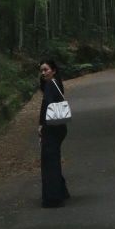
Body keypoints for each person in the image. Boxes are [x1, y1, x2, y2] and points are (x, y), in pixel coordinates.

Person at [38, 58, 70, 208]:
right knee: (53, 159)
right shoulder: (57, 83)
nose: (43, 73)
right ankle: (61, 191)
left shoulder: (51, 85)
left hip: (51, 128)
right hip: (59, 127)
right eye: (41, 70)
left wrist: (41, 128)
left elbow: (47, 108)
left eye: (46, 70)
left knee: (49, 162)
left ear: (53, 70)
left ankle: (53, 197)